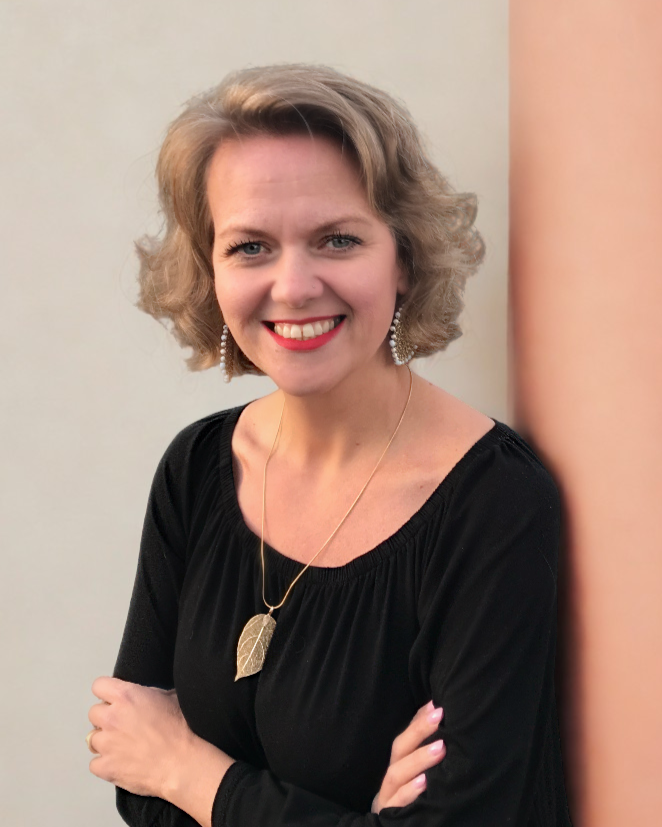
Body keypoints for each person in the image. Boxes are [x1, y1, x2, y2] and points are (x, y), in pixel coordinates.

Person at [86, 63, 572, 826]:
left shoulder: (496, 507)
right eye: (249, 247)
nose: (294, 285)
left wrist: (193, 772)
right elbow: (133, 774)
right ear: (207, 269)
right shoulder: (196, 469)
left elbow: (163, 767)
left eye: (337, 239)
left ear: (404, 258)